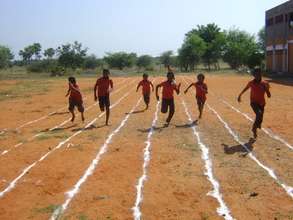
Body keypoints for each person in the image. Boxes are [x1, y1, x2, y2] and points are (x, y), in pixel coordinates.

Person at [238, 68, 271, 138]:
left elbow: (269, 95)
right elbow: (246, 88)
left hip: (262, 103)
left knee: (260, 118)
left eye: (259, 74)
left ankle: (257, 125)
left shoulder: (265, 83)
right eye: (256, 74)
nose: (258, 75)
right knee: (259, 114)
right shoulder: (251, 83)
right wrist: (240, 95)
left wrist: (266, 90)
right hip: (253, 102)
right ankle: (254, 128)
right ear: (254, 75)